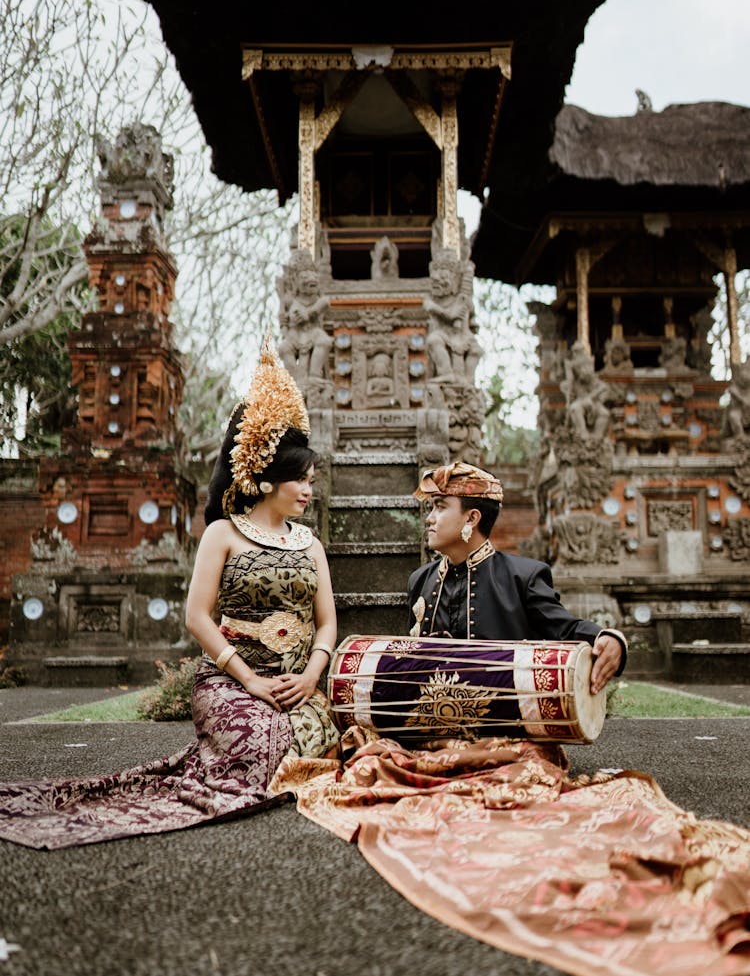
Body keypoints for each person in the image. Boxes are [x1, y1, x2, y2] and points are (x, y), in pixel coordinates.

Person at [0, 340, 338, 849]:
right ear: (268, 480)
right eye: (301, 481)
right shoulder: (224, 534)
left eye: (312, 481)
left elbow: (327, 621)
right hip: (232, 684)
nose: (309, 491)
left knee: (322, 748)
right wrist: (250, 680)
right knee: (262, 752)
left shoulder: (311, 544)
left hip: (298, 683)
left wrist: (312, 675)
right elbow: (197, 618)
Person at [407, 461, 626, 694]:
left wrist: (611, 638)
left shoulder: (522, 577)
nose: (430, 518)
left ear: (471, 518)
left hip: (503, 724)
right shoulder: (420, 580)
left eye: (440, 507)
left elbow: (565, 629)